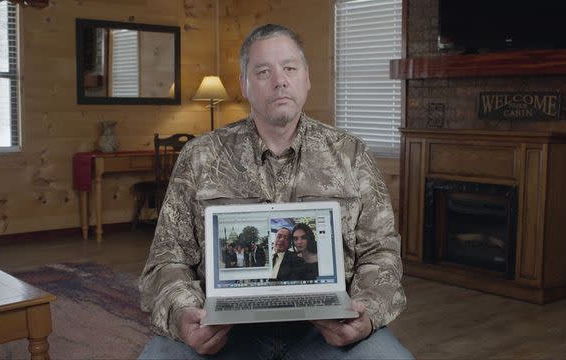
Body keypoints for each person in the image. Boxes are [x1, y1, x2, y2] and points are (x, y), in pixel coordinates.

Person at [138, 23, 413, 359]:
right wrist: (184, 317)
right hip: (225, 333)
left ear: (306, 79)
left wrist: (365, 316)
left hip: (324, 332)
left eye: (289, 68)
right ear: (244, 85)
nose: (279, 80)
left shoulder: (351, 155)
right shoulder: (200, 156)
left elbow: (381, 255)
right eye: (263, 71)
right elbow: (167, 261)